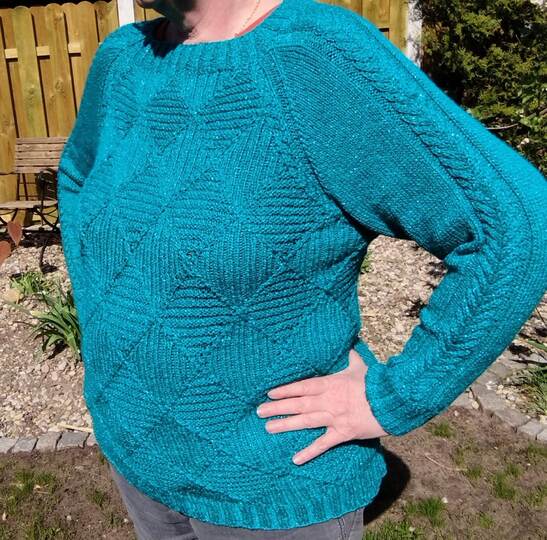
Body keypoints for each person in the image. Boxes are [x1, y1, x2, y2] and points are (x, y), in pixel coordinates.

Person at [56, 0, 547, 538]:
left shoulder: (312, 56)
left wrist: (391, 398)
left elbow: (518, 226)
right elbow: (77, 175)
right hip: (138, 454)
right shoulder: (124, 59)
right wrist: (102, 321)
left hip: (272, 482)